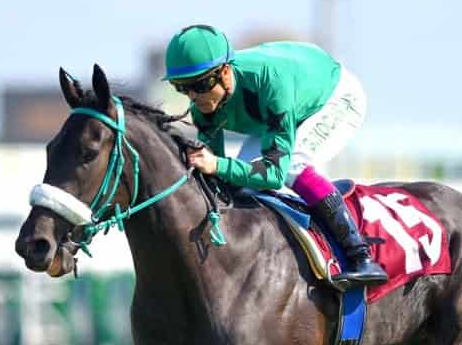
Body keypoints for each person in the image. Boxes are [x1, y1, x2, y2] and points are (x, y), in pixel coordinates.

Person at [163, 24, 388, 287]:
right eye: (182, 88)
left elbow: (273, 173)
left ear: (225, 72)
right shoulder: (203, 107)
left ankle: (359, 255)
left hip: (335, 97)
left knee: (293, 165)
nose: (193, 97)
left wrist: (216, 164)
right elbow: (218, 178)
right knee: (239, 183)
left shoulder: (271, 84)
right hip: (281, 107)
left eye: (200, 84)